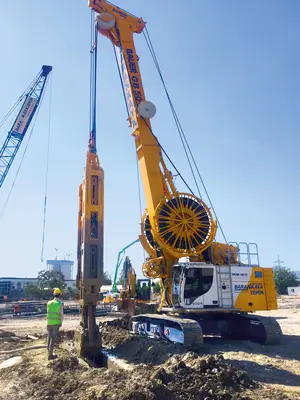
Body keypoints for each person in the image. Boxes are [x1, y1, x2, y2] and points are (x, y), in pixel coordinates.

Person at [46, 288, 64, 360]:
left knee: (49, 337)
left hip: (49, 323)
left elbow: (48, 313)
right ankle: (50, 355)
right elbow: (61, 315)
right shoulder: (59, 304)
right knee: (53, 339)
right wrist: (61, 322)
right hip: (56, 323)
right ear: (60, 295)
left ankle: (49, 352)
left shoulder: (49, 303)